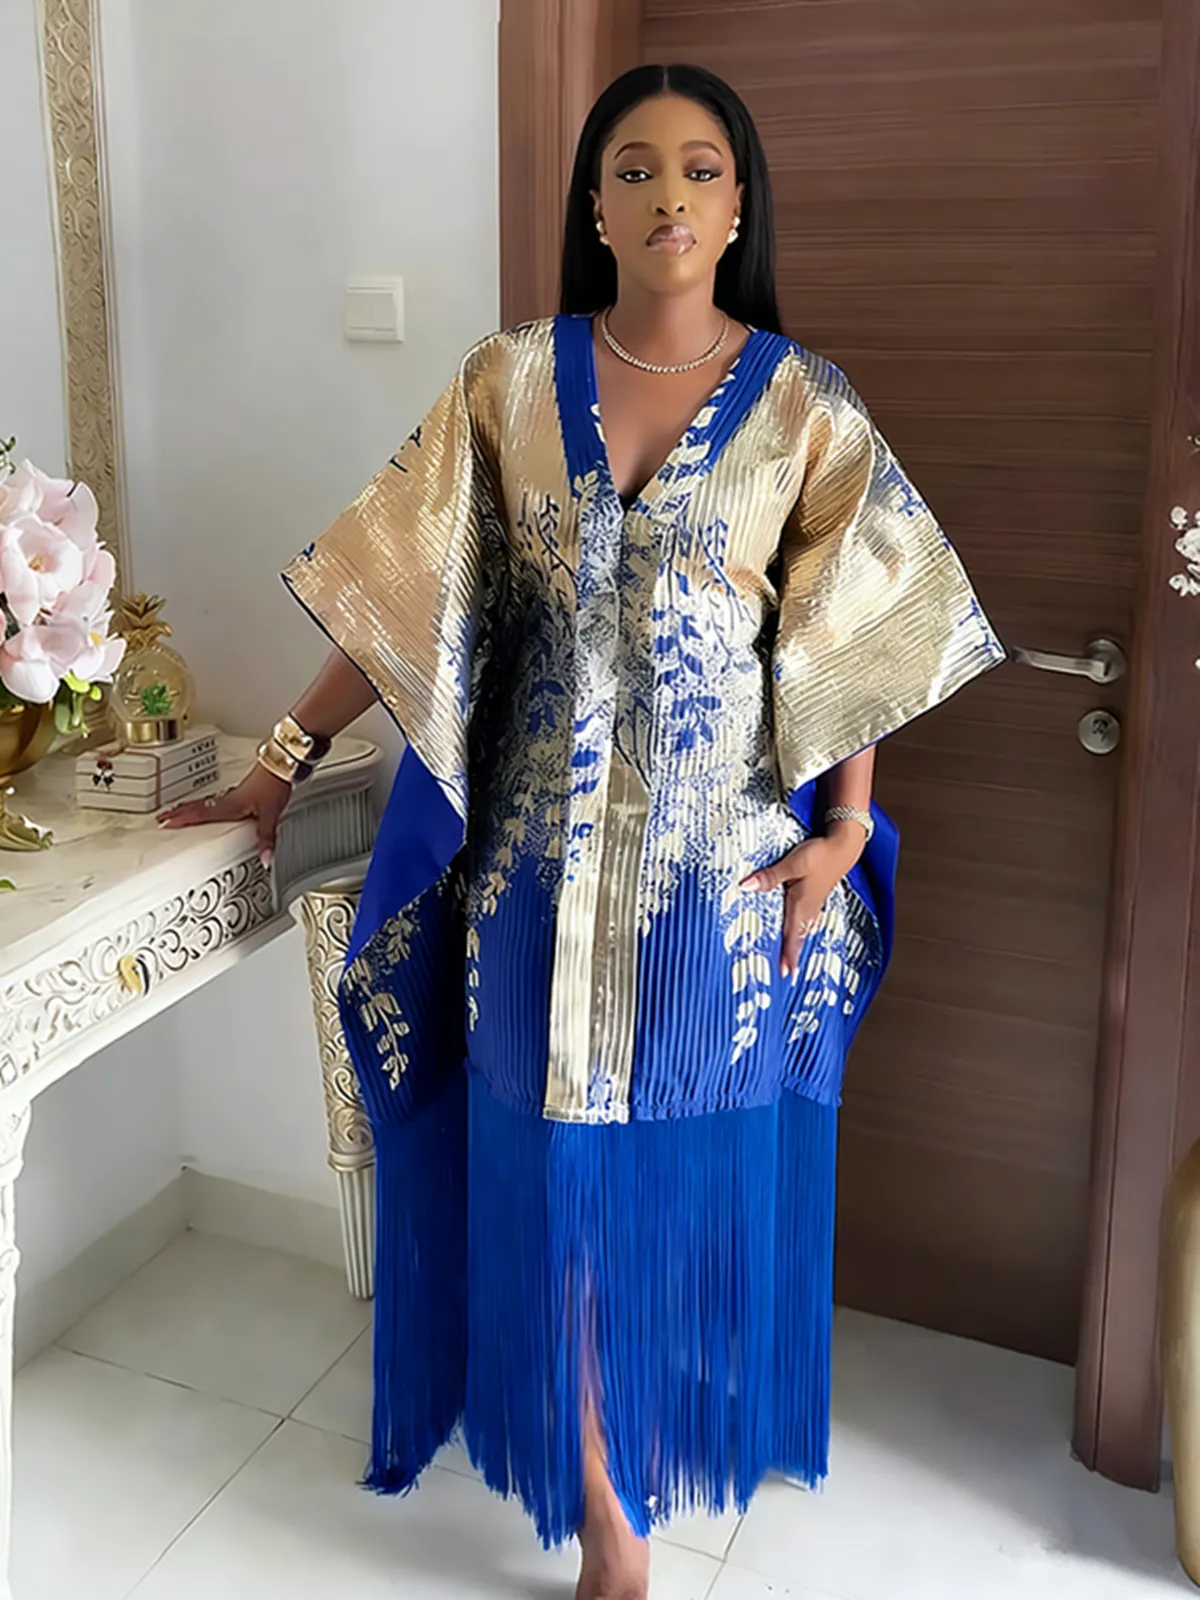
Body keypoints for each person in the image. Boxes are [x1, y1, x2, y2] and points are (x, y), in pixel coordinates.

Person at [163, 62, 1003, 1600]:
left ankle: (641, 1428)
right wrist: (280, 763)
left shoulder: (806, 405)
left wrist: (849, 827)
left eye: (700, 168)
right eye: (634, 167)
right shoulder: (505, 386)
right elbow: (401, 597)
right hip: (532, 878)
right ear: (595, 207)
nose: (668, 193)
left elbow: (853, 634)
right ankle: (611, 1509)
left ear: (738, 206)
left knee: (667, 1176)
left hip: (712, 879)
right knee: (549, 1177)